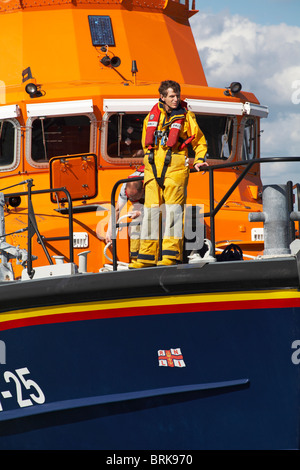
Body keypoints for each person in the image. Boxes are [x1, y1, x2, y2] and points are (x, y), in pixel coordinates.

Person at [129, 80, 208, 268]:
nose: (176, 99)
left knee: (173, 212)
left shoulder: (186, 116)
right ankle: (147, 257)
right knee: (150, 212)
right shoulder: (151, 116)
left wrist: (199, 160)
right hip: (152, 171)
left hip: (175, 170)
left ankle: (171, 255)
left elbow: (199, 141)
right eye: (172, 96)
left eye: (177, 96)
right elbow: (145, 144)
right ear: (162, 97)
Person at [105, 169, 144, 262]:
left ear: (142, 191)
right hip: (144, 208)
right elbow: (117, 210)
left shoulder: (151, 184)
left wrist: (140, 213)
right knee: (135, 225)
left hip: (158, 209)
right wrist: (110, 232)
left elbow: (158, 208)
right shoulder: (124, 186)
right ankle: (135, 258)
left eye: (134, 197)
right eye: (130, 197)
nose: (131, 199)